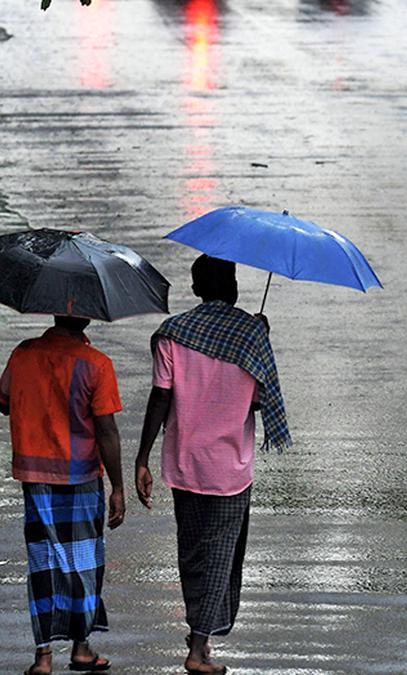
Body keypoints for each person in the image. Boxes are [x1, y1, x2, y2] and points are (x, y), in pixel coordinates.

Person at [135, 255, 291, 674]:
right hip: (229, 468)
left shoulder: (173, 334)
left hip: (184, 463)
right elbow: (259, 401)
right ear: (234, 287)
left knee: (192, 552)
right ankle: (198, 648)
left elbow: (160, 398)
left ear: (197, 288)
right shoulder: (251, 335)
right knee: (221, 555)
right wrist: (258, 338)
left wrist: (142, 456)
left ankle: (197, 630)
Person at [0, 314, 126, 674]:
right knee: (82, 562)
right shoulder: (96, 364)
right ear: (86, 316)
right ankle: (82, 647)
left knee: (43, 561)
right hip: (80, 475)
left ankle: (43, 656)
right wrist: (118, 486)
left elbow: (4, 400)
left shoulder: (23, 354)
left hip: (34, 475)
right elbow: (107, 430)